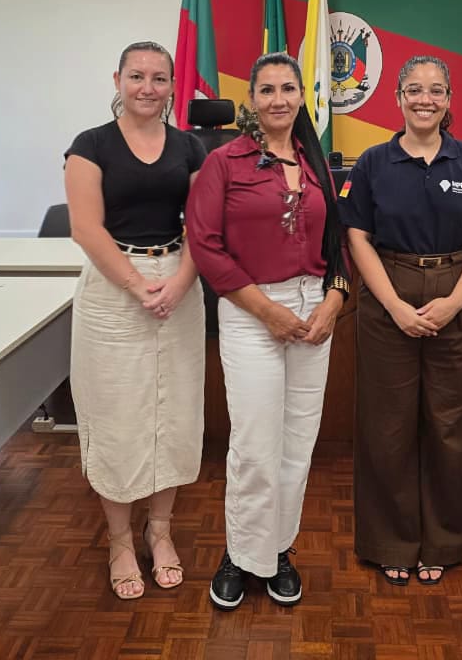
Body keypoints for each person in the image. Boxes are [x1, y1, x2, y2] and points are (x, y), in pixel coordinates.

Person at [186, 52, 349, 611]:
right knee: (256, 445)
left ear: (301, 96)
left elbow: (338, 241)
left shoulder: (315, 160)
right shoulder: (224, 162)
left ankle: (277, 550)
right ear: (251, 101)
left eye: (288, 88)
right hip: (252, 309)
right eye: (267, 90)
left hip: (313, 311)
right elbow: (205, 245)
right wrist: (266, 310)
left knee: (297, 444)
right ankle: (240, 554)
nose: (278, 99)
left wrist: (335, 299)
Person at [340, 55, 462, 587]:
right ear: (398, 98)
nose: (425, 99)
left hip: (454, 292)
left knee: (448, 425)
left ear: (449, 100)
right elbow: (357, 237)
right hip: (387, 295)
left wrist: (456, 302)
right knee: (386, 425)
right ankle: (389, 542)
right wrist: (393, 304)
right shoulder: (373, 162)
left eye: (436, 90)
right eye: (414, 89)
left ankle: (442, 543)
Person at [64, 40, 207, 600]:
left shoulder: (190, 146)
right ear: (118, 80)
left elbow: (202, 226)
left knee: (174, 411)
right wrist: (136, 284)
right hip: (113, 287)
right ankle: (120, 540)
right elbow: (85, 228)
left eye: (159, 78)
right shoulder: (91, 145)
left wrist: (180, 281)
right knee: (117, 415)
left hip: (179, 281)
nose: (148, 87)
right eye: (137, 76)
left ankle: (160, 530)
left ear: (172, 86)